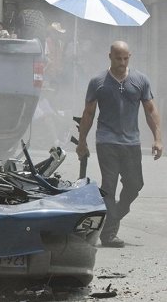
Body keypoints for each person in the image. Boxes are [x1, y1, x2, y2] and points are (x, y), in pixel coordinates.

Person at [75, 41, 162, 248]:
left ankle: (113, 217)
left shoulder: (140, 80)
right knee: (109, 186)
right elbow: (88, 113)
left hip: (132, 143)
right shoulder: (98, 81)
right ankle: (109, 234)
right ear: (110, 57)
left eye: (126, 58)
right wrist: (82, 142)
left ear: (129, 56)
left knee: (134, 185)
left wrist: (158, 138)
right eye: (118, 58)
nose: (122, 63)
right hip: (106, 141)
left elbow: (151, 110)